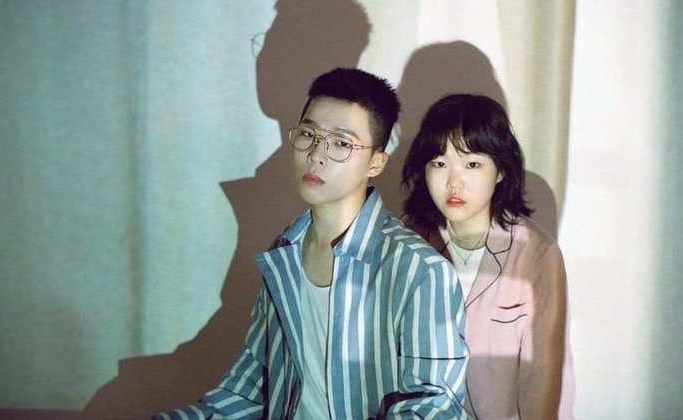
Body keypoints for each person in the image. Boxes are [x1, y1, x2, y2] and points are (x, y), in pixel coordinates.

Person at [154, 68, 469, 419]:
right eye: (308, 134)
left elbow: (432, 408)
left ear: (376, 163)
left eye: (341, 143)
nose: (317, 154)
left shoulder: (420, 270)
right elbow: (248, 390)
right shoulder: (284, 252)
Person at [402, 94, 575, 419]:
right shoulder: (405, 244)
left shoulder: (536, 253)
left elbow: (542, 379)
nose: (453, 182)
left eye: (472, 164)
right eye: (439, 163)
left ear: (500, 171)